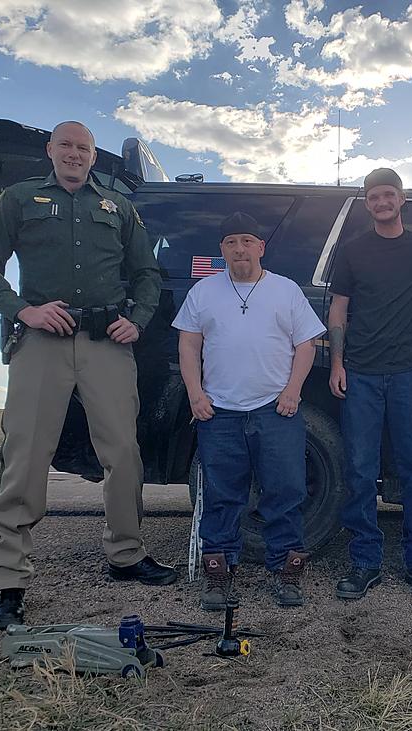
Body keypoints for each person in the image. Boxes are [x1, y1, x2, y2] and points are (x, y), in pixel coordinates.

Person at [0, 121, 176, 630]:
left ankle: (126, 555)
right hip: (42, 341)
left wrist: (139, 320)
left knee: (123, 452)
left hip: (105, 342)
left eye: (83, 147)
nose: (76, 154)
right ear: (51, 151)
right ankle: (7, 582)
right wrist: (24, 312)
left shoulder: (117, 207)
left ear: (91, 155)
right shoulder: (19, 200)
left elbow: (148, 274)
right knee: (25, 454)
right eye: (67, 145)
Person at [173, 212, 326, 608]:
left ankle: (287, 572)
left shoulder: (286, 290)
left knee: (286, 490)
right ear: (222, 249)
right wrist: (195, 394)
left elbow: (306, 344)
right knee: (223, 495)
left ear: (261, 246)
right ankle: (218, 576)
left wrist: (293, 391)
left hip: (275, 409)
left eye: (246, 240)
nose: (239, 248)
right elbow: (189, 345)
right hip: (219, 411)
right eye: (230, 242)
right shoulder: (203, 292)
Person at [328, 168, 412, 601]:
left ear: (402, 198)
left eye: (388, 194)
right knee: (360, 469)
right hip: (360, 372)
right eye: (374, 196)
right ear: (366, 202)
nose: (382, 202)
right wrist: (337, 363)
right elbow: (338, 310)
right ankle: (364, 561)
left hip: (410, 373)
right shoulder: (353, 250)